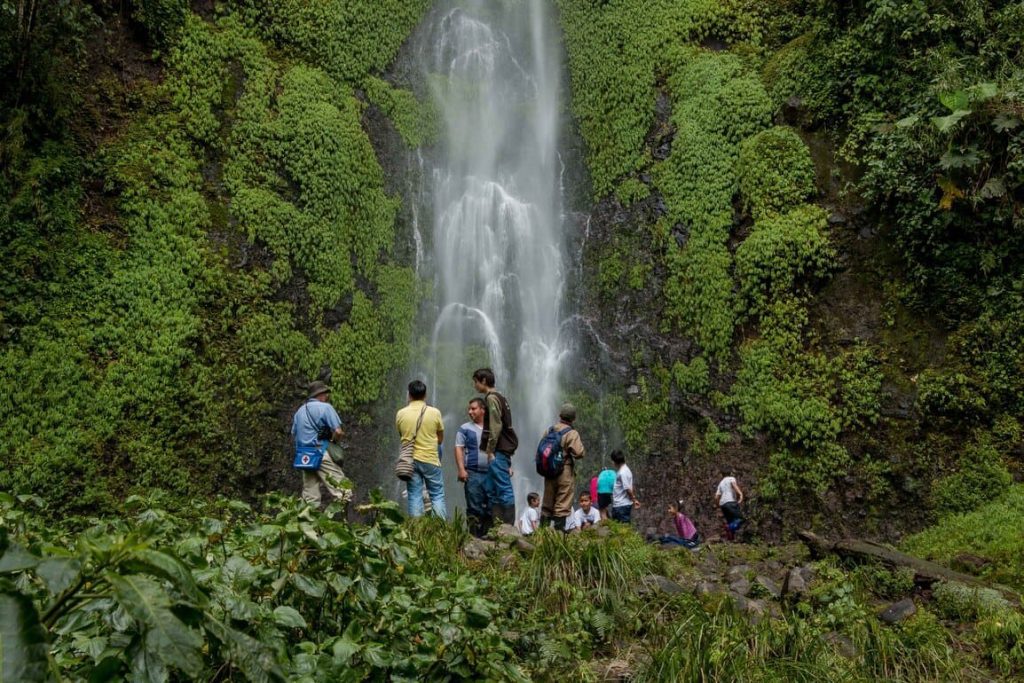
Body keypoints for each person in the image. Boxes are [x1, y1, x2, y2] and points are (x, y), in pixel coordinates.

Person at [292, 381, 352, 510]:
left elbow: (295, 433)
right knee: (343, 491)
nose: (327, 397)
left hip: (304, 457)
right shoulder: (326, 407)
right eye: (326, 394)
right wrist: (333, 441)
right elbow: (338, 431)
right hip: (321, 452)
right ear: (320, 394)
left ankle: (308, 528)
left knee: (310, 498)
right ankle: (342, 524)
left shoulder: (299, 411)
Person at [472, 368, 519, 525]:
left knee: (504, 488)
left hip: (497, 451)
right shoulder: (501, 397)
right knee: (491, 489)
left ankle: (508, 528)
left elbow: (496, 426)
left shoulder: (492, 399)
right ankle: (495, 527)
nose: (475, 385)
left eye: (476, 382)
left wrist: (490, 450)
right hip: (500, 451)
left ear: (484, 381)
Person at [395, 380, 446, 519]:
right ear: (425, 395)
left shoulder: (401, 414)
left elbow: (403, 436)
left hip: (410, 460)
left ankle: (417, 532)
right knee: (436, 495)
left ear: (409, 395)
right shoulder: (435, 412)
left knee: (414, 495)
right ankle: (440, 530)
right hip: (430, 459)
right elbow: (440, 439)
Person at [540, 402, 586, 532]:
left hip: (549, 471)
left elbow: (542, 450)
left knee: (547, 504)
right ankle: (558, 535)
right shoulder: (572, 433)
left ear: (560, 415)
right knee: (563, 503)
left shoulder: (549, 430)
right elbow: (579, 453)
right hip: (564, 471)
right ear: (573, 418)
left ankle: (541, 534)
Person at [455, 398, 490, 537]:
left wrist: (508, 466)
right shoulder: (464, 428)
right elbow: (458, 448)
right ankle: (473, 538)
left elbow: (501, 448)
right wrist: (461, 469)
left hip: (492, 473)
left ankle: (488, 537)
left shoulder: (493, 427)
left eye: (473, 409)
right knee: (474, 507)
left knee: (491, 507)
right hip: (473, 472)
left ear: (483, 410)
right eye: (469, 409)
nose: (470, 412)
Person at [715, 466, 744, 540]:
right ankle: (729, 527)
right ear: (730, 473)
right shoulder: (731, 478)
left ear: (722, 474)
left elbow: (716, 497)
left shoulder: (721, 483)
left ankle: (731, 539)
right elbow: (734, 486)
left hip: (723, 505)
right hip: (730, 502)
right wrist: (740, 494)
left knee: (731, 521)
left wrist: (718, 505)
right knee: (740, 519)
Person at [610, 450, 639, 523]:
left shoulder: (623, 472)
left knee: (623, 528)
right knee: (619, 529)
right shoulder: (623, 470)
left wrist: (634, 500)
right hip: (619, 505)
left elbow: (627, 489)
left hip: (621, 506)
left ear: (614, 461)